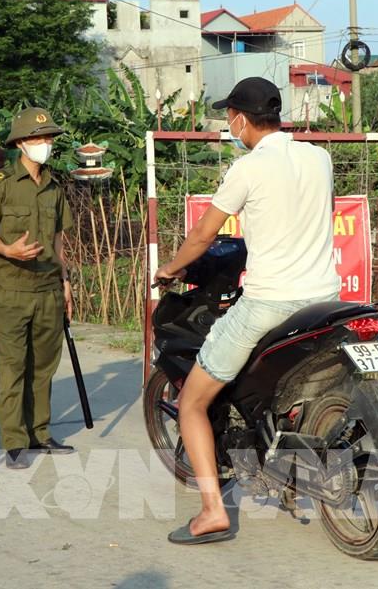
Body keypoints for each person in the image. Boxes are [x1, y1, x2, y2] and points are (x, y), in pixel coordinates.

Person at [153, 77, 341, 545]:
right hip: (325, 300)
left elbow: (202, 237)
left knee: (192, 402)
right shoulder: (319, 158)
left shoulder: (248, 167)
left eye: (228, 116)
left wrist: (171, 270)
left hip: (269, 301)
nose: (228, 124)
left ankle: (213, 511)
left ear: (239, 117)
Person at [0, 107, 76, 470]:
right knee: (14, 365)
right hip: (11, 289)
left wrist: (65, 283)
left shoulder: (54, 187)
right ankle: (14, 439)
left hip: (48, 287)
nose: (45, 143)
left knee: (44, 366)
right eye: (38, 138)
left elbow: (59, 239)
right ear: (20, 143)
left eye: (48, 137)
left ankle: (40, 433)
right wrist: (7, 250)